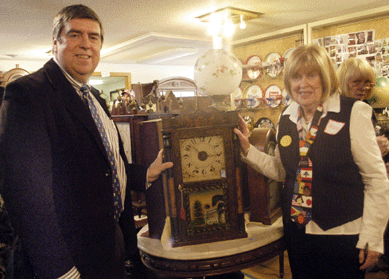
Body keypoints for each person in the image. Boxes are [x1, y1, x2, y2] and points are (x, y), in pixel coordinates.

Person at [0, 4, 172, 279]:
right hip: (63, 259)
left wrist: (146, 174)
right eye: (75, 35)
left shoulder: (94, 98)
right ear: (55, 43)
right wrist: (61, 271)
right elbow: (26, 196)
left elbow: (105, 165)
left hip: (106, 249)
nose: (85, 45)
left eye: (94, 37)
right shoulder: (28, 93)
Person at [234, 44, 389, 279]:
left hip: (343, 233)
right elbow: (282, 170)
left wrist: (374, 237)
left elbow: (376, 179)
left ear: (325, 77)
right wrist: (247, 149)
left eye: (311, 75)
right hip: (298, 232)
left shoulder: (353, 112)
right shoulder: (286, 116)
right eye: (296, 76)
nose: (302, 84)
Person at [338, 57, 389, 158]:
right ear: (343, 82)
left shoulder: (365, 107)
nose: (363, 87)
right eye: (356, 82)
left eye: (367, 82)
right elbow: (336, 152)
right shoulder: (337, 111)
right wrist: (372, 148)